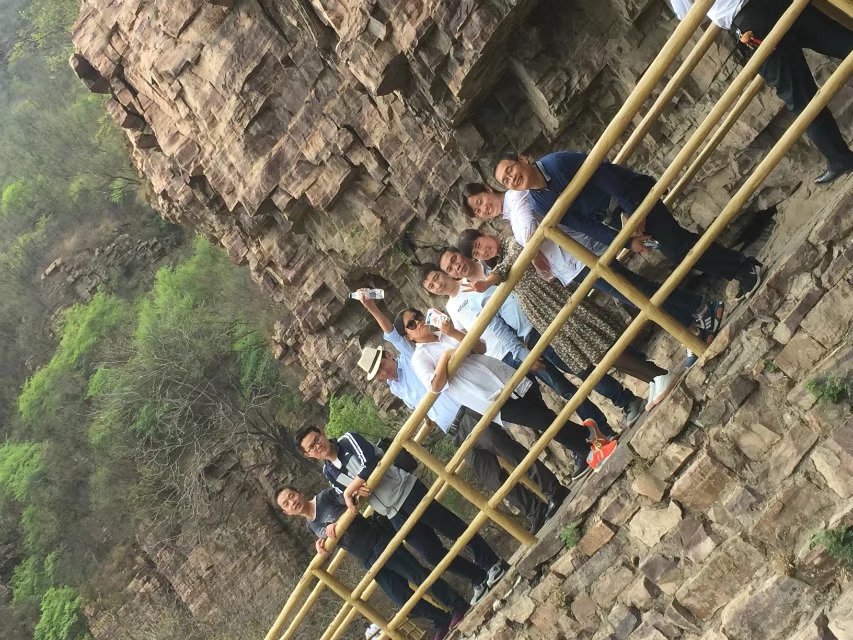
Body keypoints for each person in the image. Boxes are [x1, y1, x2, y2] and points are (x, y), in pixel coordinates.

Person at [354, 290, 570, 532]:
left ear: (388, 355)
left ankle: (554, 490)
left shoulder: (409, 356)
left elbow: (391, 332)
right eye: (377, 373)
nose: (382, 372)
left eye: (381, 365)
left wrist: (371, 306)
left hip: (467, 412)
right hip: (453, 429)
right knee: (489, 475)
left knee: (509, 452)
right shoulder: (395, 388)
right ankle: (535, 510)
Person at [492, 152, 762, 303]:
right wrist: (627, 241)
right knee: (676, 245)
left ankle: (743, 268)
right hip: (618, 221)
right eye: (505, 180)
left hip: (631, 196)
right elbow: (584, 225)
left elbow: (606, 176)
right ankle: (739, 268)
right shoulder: (538, 202)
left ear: (523, 159)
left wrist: (635, 214)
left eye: (510, 169)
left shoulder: (557, 163)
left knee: (676, 247)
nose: (511, 178)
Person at [457, 229, 678, 409]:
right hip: (544, 315)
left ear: (484, 234)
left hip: (556, 301)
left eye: (479, 244)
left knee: (600, 345)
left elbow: (512, 262)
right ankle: (653, 378)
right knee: (595, 354)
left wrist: (489, 281)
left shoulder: (512, 242)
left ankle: (656, 374)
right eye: (477, 253)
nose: (482, 251)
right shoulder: (496, 264)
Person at [294, 425, 507, 604]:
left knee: (452, 528)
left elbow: (370, 461)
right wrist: (351, 495)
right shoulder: (329, 471)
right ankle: (478, 577)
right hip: (390, 511)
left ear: (322, 433)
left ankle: (492, 562)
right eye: (311, 447)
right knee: (430, 553)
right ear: (308, 455)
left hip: (406, 491)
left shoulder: (347, 440)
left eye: (317, 439)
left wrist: (353, 488)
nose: (317, 446)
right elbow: (344, 496)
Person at [396, 307, 618, 477]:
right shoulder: (420, 357)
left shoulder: (445, 334)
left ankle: (589, 440)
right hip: (485, 394)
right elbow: (435, 386)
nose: (419, 322)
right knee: (540, 420)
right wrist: (446, 357)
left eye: (418, 316)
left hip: (501, 375)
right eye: (412, 324)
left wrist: (452, 332)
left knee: (544, 415)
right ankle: (590, 445)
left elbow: (480, 347)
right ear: (409, 336)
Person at [437, 247, 646, 423]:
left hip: (549, 316)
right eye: (450, 268)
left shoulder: (492, 261)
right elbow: (498, 328)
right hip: (530, 336)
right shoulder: (470, 296)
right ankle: (613, 417)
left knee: (590, 361)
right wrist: (522, 353)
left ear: (461, 254)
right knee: (572, 380)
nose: (456, 267)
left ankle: (634, 391)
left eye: (454, 259)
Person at [669, 0, 852, 185]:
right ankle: (839, 158)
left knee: (800, 98)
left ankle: (839, 158)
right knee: (840, 41)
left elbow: (688, 16)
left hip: (751, 24)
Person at [275, 486, 467, 639]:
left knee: (418, 575)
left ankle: (457, 604)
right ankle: (442, 620)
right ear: (287, 512)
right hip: (366, 558)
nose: (292, 502)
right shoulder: (310, 525)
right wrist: (321, 544)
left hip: (377, 540)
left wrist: (338, 523)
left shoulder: (326, 496)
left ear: (300, 492)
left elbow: (351, 499)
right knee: (401, 597)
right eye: (286, 503)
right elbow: (327, 535)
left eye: (292, 496)